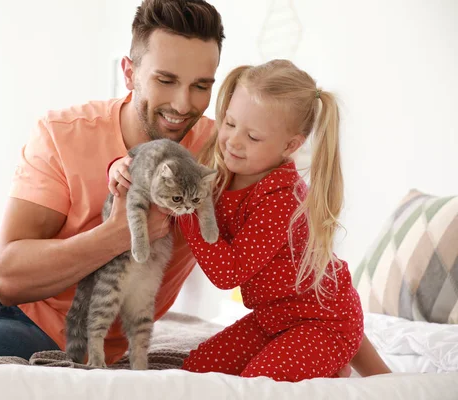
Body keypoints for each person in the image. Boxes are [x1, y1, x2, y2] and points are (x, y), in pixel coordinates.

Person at [0, 1, 224, 398]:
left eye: (201, 85)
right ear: (130, 73)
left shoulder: (219, 158)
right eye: (166, 80)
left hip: (61, 331)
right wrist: (119, 234)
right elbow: (10, 277)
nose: (184, 104)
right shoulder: (66, 132)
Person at [108, 61, 392, 380]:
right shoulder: (225, 170)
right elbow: (160, 158)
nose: (232, 141)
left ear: (290, 146)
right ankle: (334, 369)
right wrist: (122, 166)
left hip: (319, 325)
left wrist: (186, 208)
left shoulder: (283, 197)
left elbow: (228, 273)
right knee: (193, 374)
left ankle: (331, 365)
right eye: (229, 123)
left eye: (253, 137)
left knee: (255, 387)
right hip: (270, 319)